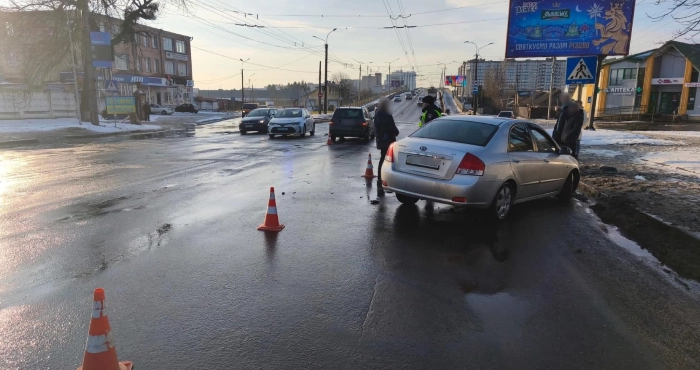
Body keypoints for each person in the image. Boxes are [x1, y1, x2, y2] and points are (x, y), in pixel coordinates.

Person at [374, 97, 399, 197]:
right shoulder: (382, 114)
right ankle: (381, 181)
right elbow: (389, 126)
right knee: (384, 160)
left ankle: (383, 181)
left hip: (386, 140)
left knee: (386, 160)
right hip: (385, 140)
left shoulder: (381, 113)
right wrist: (395, 131)